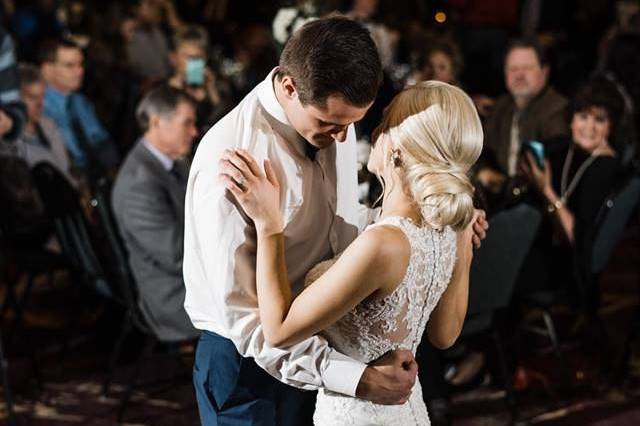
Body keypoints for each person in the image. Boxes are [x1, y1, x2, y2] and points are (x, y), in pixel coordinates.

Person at [184, 17, 414, 426]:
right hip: (245, 366)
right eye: (330, 124)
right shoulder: (233, 159)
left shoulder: (336, 117)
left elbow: (339, 223)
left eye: (350, 124)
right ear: (290, 87)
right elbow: (248, 322)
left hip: (322, 344)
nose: (343, 139)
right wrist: (353, 379)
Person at [219, 80, 484, 425]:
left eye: (386, 122)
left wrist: (268, 225)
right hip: (407, 410)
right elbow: (445, 335)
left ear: (398, 150)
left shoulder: (383, 245)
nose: (374, 131)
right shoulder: (449, 228)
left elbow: (280, 329)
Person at [518, 77, 624, 299]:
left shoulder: (604, 169)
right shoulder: (566, 148)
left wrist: (546, 190)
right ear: (571, 120)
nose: (589, 128)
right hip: (545, 244)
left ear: (610, 125)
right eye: (583, 117)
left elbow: (577, 239)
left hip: (567, 265)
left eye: (599, 120)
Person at [111, 86, 200, 342]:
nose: (194, 132)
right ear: (156, 122)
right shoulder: (138, 183)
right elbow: (175, 256)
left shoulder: (175, 162)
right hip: (173, 295)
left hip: (192, 275)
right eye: (187, 124)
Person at [477, 38, 569, 200]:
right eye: (513, 69)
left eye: (527, 68)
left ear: (544, 71)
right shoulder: (501, 107)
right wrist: (483, 171)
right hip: (500, 197)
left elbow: (549, 165)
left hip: (537, 202)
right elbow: (481, 150)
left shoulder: (558, 110)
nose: (519, 75)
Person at [40, 37, 119, 178]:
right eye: (69, 66)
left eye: (80, 64)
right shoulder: (39, 109)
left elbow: (100, 139)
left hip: (98, 177)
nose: (79, 71)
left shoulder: (80, 102)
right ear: (47, 70)